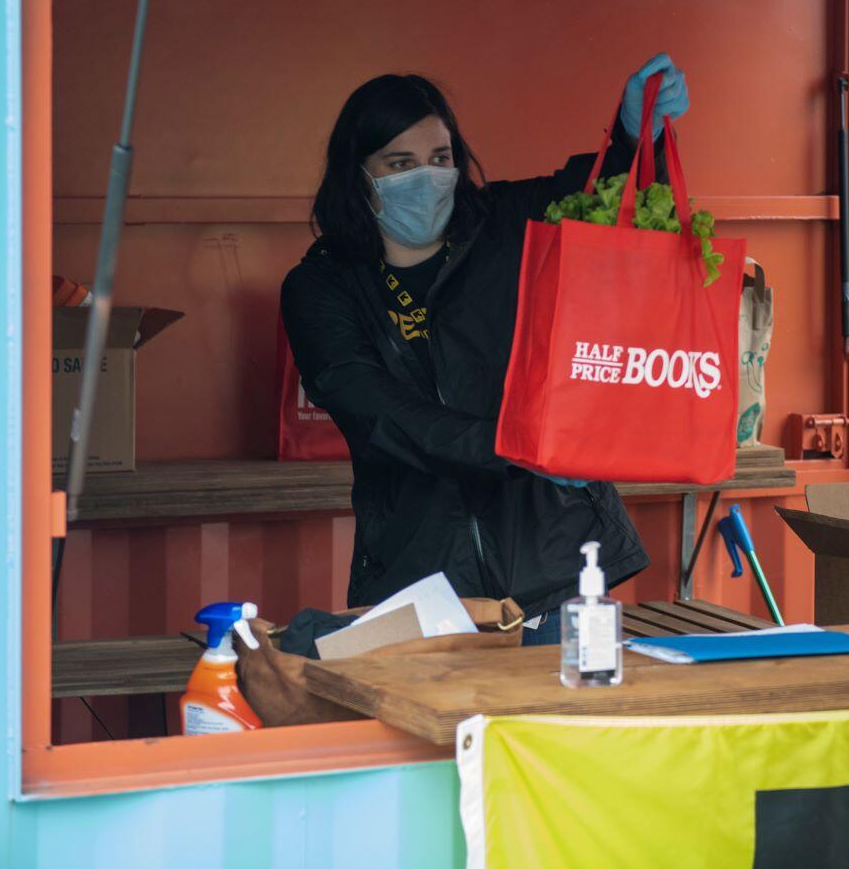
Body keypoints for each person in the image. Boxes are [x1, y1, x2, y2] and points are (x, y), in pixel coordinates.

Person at [281, 56, 690, 646]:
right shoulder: (321, 288)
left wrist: (633, 134)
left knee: (565, 732)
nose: (427, 176)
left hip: (557, 564)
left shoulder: (504, 224)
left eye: (440, 158)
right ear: (358, 176)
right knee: (437, 738)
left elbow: (598, 197)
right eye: (400, 163)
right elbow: (378, 414)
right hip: (420, 581)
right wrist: (516, 448)